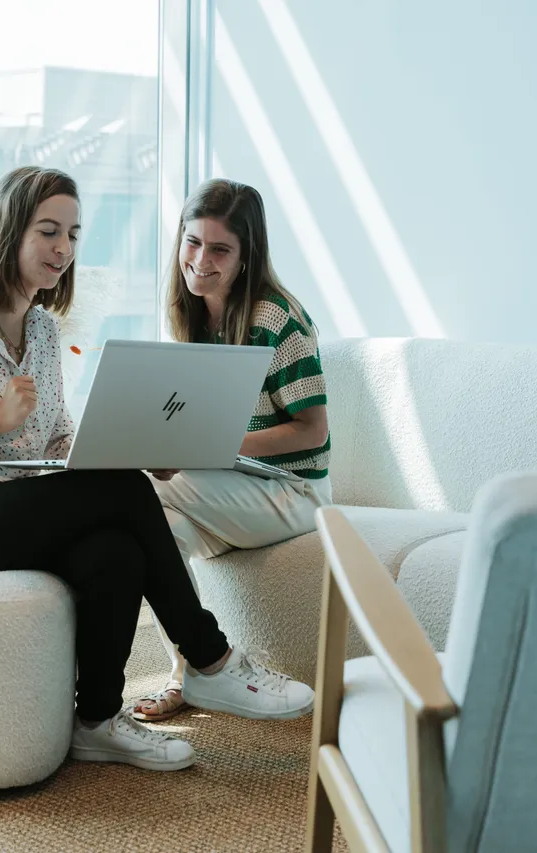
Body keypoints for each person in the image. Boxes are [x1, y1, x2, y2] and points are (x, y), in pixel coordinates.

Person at [0, 166, 314, 772]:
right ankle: (209, 658)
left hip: (20, 505)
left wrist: (112, 446)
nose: (63, 249)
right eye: (48, 232)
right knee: (123, 493)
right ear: (8, 231)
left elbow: (56, 435)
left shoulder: (42, 331)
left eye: (73, 235)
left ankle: (98, 720)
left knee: (115, 551)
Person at [132, 178, 333, 722]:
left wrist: (205, 445)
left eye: (220, 249)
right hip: (233, 487)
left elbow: (312, 431)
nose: (200, 260)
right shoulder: (192, 315)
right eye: (192, 242)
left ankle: (202, 672)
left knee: (140, 493)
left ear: (247, 256)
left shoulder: (277, 320)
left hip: (292, 492)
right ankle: (191, 673)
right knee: (152, 534)